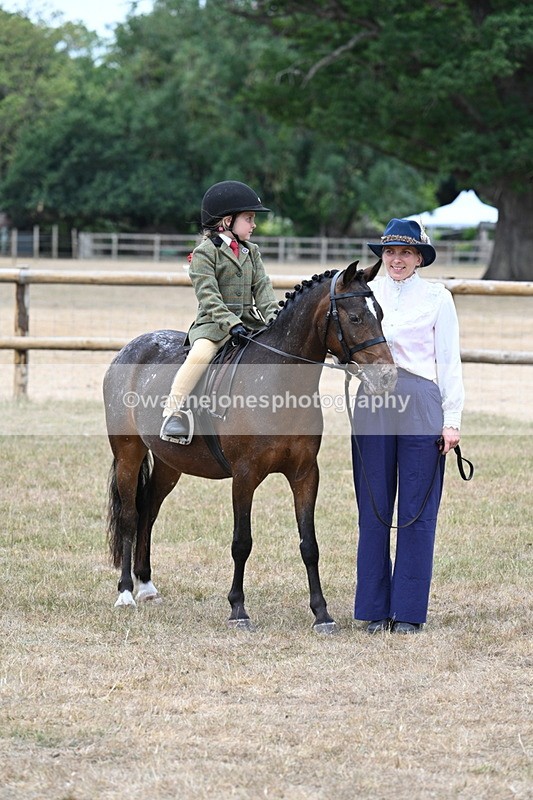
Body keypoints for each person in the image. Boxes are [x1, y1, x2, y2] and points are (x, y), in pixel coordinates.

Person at [350, 218, 464, 634]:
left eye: (405, 252)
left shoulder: (438, 298)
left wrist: (451, 421)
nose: (396, 260)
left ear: (419, 257)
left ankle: (410, 612)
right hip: (373, 402)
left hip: (420, 400)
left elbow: (449, 362)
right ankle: (374, 608)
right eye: (391, 252)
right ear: (383, 256)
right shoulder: (364, 294)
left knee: (417, 510)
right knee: (374, 507)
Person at [160, 180, 279, 444]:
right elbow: (209, 296)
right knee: (200, 355)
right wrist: (230, 323)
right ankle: (173, 412)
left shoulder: (252, 252)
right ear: (227, 221)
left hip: (248, 324)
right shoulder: (204, 254)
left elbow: (263, 291)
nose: (254, 224)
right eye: (249, 218)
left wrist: (275, 320)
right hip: (214, 326)